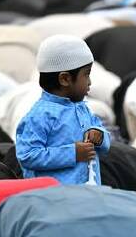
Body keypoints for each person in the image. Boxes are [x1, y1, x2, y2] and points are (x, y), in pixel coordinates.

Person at [15, 35, 110, 184]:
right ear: (65, 79)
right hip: (53, 200)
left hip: (87, 195)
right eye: (86, 75)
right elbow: (27, 155)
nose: (90, 82)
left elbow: (104, 142)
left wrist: (99, 135)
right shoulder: (40, 115)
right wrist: (73, 153)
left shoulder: (82, 108)